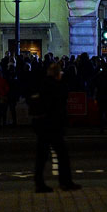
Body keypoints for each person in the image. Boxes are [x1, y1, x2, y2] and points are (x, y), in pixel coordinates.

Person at [31, 61, 80, 193]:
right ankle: (65, 181)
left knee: (42, 156)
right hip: (53, 125)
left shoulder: (43, 84)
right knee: (62, 155)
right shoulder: (56, 86)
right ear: (58, 74)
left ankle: (39, 182)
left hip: (42, 124)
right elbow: (59, 104)